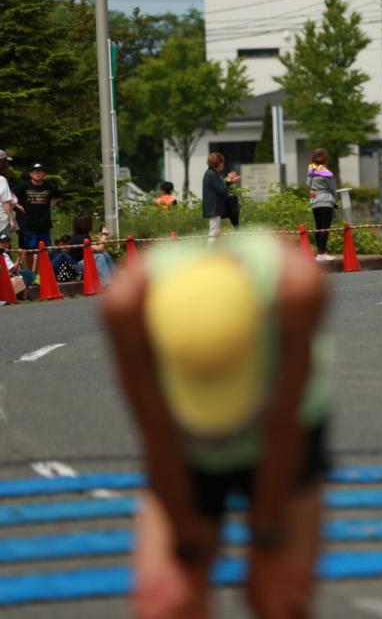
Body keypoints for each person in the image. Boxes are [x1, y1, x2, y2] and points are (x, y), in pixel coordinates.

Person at [101, 233, 329, 619]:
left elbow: (283, 422)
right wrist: (185, 530)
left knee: (278, 596)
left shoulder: (296, 290)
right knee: (166, 600)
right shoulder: (127, 306)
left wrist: (266, 521)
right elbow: (156, 430)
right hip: (183, 441)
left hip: (283, 428)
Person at [16, 163, 62, 272]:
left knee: (44, 250)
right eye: (34, 171)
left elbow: (59, 196)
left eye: (40, 171)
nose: (37, 173)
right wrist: (18, 206)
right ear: (30, 173)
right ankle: (30, 273)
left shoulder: (50, 186)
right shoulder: (24, 186)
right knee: (30, 251)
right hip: (28, 223)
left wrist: (53, 203)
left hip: (44, 223)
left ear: (44, 173)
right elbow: (12, 197)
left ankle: (42, 274)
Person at [306, 149, 337, 262]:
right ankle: (322, 253)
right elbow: (333, 189)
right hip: (326, 201)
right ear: (325, 159)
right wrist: (335, 201)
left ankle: (319, 253)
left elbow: (308, 185)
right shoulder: (326, 173)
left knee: (318, 228)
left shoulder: (311, 171)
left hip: (315, 202)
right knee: (325, 227)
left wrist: (313, 191)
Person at [69, 214, 117, 285]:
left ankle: (117, 279)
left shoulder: (85, 236)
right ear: (86, 225)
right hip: (77, 265)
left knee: (105, 254)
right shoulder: (78, 238)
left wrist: (101, 238)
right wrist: (104, 234)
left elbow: (97, 249)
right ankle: (106, 284)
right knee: (99, 257)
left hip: (85, 261)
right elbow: (99, 248)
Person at [202, 153, 231, 240]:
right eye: (221, 162)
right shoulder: (212, 174)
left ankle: (213, 251)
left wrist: (228, 181)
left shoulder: (210, 173)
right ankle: (210, 252)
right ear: (218, 163)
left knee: (215, 231)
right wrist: (229, 182)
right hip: (214, 208)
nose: (223, 164)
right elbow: (222, 189)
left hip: (213, 208)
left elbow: (220, 186)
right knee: (214, 232)